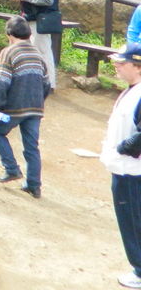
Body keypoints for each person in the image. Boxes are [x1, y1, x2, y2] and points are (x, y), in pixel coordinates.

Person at [0, 16, 49, 198]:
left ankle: (12, 168)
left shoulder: (9, 52)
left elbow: (2, 82)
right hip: (35, 107)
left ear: (9, 34)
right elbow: (46, 83)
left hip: (14, 107)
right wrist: (38, 102)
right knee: (32, 147)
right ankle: (34, 185)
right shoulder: (38, 53)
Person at [101, 42, 141, 289]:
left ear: (138, 67)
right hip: (125, 168)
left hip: (131, 171)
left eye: (122, 63)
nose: (116, 66)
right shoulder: (132, 89)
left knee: (132, 222)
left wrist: (122, 148)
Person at [10, 0, 60, 90]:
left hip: (40, 21)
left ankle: (49, 84)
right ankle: (33, 80)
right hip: (28, 18)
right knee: (29, 50)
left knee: (43, 52)